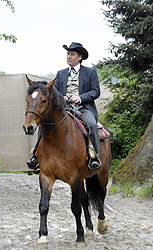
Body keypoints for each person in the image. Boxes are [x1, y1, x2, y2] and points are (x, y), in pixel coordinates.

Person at [27, 42, 101, 171]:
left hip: (83, 108)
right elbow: (54, 92)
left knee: (92, 125)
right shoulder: (60, 73)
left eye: (72, 54)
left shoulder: (90, 72)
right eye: (68, 54)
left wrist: (80, 97)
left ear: (80, 57)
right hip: (64, 108)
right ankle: (35, 156)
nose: (69, 56)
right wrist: (62, 97)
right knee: (44, 123)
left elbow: (96, 91)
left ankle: (94, 157)